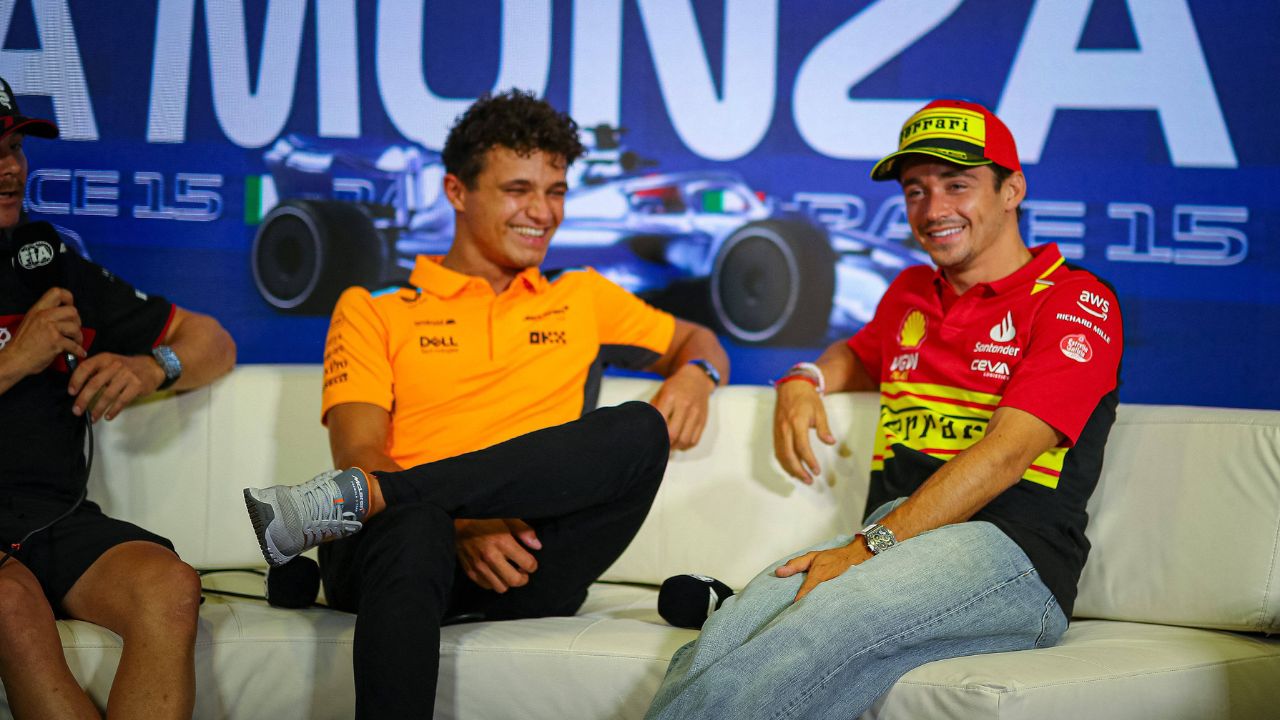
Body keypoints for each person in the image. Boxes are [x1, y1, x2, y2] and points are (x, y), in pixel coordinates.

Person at [244, 89, 729, 718]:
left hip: (528, 561)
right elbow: (360, 452)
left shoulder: (583, 297)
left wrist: (695, 375)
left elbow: (699, 341)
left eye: (555, 191)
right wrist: (461, 523)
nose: (542, 212)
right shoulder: (374, 309)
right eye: (518, 190)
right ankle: (409, 505)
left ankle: (379, 500)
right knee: (414, 523)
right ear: (456, 191)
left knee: (641, 430)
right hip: (395, 550)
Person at [644, 98, 1124, 718]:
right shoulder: (909, 294)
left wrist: (869, 546)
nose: (934, 209)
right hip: (897, 536)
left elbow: (1007, 454)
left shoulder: (1074, 300)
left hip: (1012, 553)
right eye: (916, 191)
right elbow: (857, 355)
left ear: (1012, 190)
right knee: (729, 630)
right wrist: (805, 378)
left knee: (822, 623)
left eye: (957, 185)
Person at [0, 77, 236, 718]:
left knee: (169, 585)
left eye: (15, 149)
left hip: (55, 518)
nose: (11, 169)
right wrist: (17, 358)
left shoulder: (47, 263)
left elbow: (214, 342)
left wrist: (152, 366)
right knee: (11, 604)